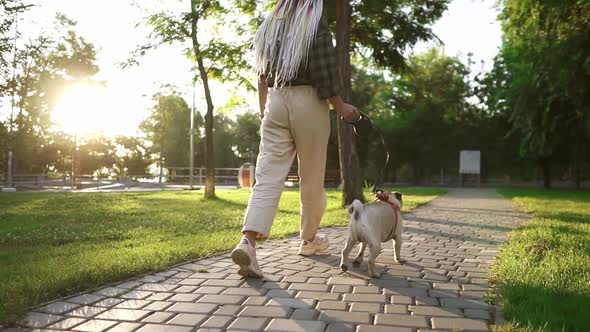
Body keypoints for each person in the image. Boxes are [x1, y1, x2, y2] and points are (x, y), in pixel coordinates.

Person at [231, 0, 360, 278]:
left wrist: (265, 111)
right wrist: (341, 106)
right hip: (308, 101)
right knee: (311, 177)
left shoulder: (271, 23)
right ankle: (309, 240)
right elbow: (323, 71)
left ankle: (248, 243)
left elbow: (261, 77)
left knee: (266, 178)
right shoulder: (313, 21)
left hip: (275, 100)